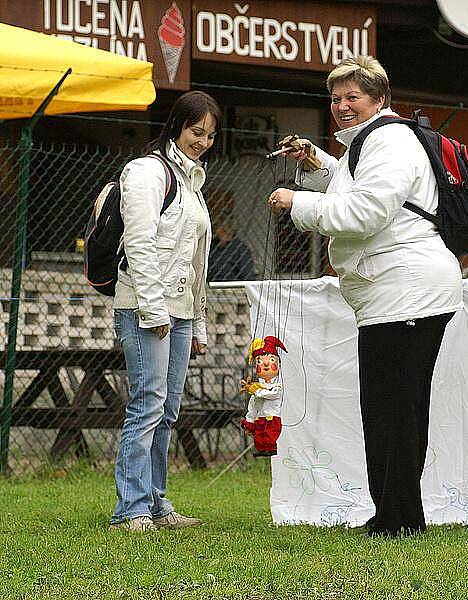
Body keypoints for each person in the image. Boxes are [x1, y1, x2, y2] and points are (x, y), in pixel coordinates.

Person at [268, 55, 463, 537]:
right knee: (391, 405)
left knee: (394, 407)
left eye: (352, 96)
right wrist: (317, 166)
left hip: (407, 292)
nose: (341, 106)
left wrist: (300, 202)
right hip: (393, 292)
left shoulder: (392, 140)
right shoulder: (373, 142)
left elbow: (367, 211)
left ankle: (399, 519)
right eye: (335, 98)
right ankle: (396, 514)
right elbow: (356, 187)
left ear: (379, 99)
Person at [110, 90, 221, 532]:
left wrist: (198, 322)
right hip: (143, 303)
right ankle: (131, 510)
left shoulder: (194, 182)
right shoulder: (146, 171)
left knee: (168, 408)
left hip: (181, 310)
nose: (204, 141)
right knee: (147, 404)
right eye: (197, 131)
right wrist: (154, 311)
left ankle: (156, 502)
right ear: (176, 125)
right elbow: (139, 244)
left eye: (211, 134)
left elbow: (198, 265)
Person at [240, 336, 286, 457]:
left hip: (272, 418)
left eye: (271, 360)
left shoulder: (278, 385)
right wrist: (249, 421)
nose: (265, 364)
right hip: (260, 418)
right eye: (259, 361)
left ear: (278, 363)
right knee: (259, 435)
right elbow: (253, 405)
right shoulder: (257, 386)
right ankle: (261, 449)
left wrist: (256, 391)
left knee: (269, 434)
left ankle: (270, 448)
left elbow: (272, 394)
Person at [207, 213, 256, 281]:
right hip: (210, 285)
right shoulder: (212, 245)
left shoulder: (240, 249)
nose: (214, 228)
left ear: (225, 228)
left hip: (231, 287)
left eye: (217, 226)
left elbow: (248, 275)